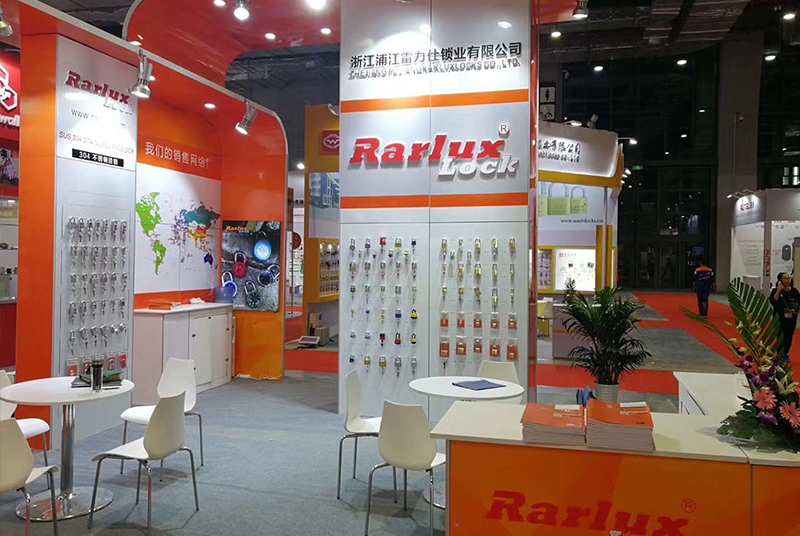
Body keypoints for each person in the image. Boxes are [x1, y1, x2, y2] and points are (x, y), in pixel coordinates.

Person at [769, 272, 800, 356]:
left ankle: (786, 353)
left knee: (789, 336)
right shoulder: (775, 291)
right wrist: (778, 291)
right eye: (785, 278)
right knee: (781, 336)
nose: (788, 280)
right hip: (780, 317)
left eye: (789, 278)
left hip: (792, 317)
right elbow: (773, 301)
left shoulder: (794, 291)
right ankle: (780, 353)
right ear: (780, 280)